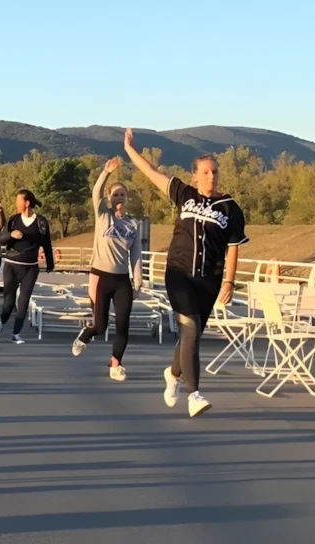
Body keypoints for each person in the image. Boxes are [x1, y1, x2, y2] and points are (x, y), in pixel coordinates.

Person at [123, 128, 248, 417]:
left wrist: (229, 279)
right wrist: (130, 151)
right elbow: (152, 172)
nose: (211, 177)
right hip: (178, 273)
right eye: (205, 172)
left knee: (193, 333)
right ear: (194, 176)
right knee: (189, 328)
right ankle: (194, 395)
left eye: (214, 172)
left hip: (209, 279)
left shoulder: (230, 208)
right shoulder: (184, 194)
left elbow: (233, 247)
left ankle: (173, 373)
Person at [71, 157, 143, 382]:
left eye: (122, 194)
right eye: (115, 194)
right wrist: (105, 173)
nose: (119, 197)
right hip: (102, 277)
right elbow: (95, 192)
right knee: (101, 325)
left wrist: (138, 283)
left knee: (123, 324)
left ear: (127, 198)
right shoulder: (103, 215)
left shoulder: (132, 225)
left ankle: (116, 363)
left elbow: (136, 255)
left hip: (122, 280)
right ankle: (86, 334)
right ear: (110, 199)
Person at [0, 190, 54, 345]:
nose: (15, 203)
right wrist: (10, 235)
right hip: (12, 265)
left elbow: (46, 243)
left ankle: (16, 333)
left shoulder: (41, 222)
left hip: (30, 268)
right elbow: (0, 239)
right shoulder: (13, 220)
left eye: (18, 200)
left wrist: (50, 262)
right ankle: (2, 321)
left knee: (24, 301)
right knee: (9, 301)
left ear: (26, 203)